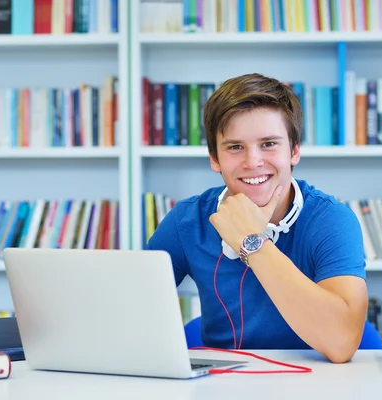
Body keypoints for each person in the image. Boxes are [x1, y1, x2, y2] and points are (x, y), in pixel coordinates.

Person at [146, 73, 368, 363]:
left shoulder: (332, 221)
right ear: (215, 158)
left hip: (318, 384)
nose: (253, 163)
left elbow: (341, 341)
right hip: (224, 385)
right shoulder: (187, 220)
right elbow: (127, 307)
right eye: (235, 147)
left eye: (269, 144)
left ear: (295, 151)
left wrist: (252, 242)